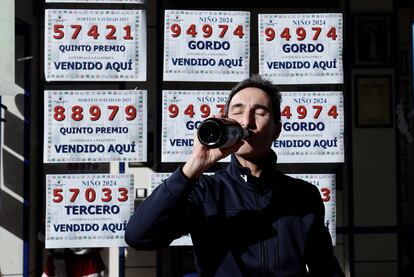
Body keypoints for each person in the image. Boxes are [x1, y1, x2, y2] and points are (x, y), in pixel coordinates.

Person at [125, 74, 344, 277]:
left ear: (276, 130)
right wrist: (193, 166)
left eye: (259, 112)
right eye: (237, 112)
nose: (246, 121)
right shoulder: (205, 191)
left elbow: (325, 268)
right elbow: (138, 236)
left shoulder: (303, 195)